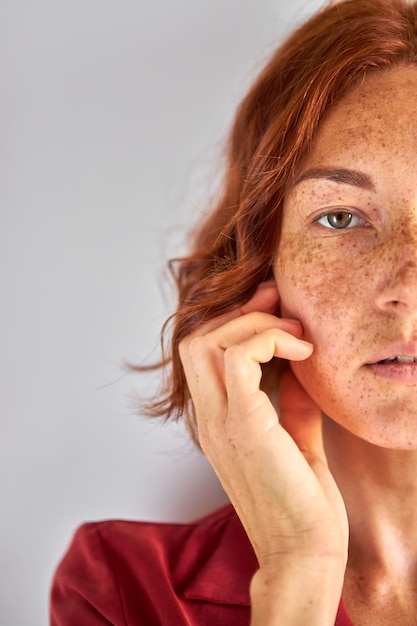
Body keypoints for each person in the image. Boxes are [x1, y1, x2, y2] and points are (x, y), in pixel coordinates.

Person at [50, 0, 417, 623]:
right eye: (340, 217)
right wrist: (297, 570)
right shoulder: (123, 592)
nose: (406, 288)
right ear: (260, 266)